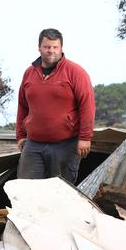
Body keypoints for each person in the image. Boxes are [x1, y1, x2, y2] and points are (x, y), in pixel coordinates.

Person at [16, 28, 95, 183]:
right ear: (39, 48)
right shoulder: (29, 73)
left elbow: (87, 105)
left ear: (61, 48)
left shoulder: (75, 72)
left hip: (65, 143)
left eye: (55, 47)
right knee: (26, 189)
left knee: (61, 192)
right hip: (34, 144)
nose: (51, 51)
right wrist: (20, 135)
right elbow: (22, 106)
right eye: (47, 47)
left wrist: (85, 137)